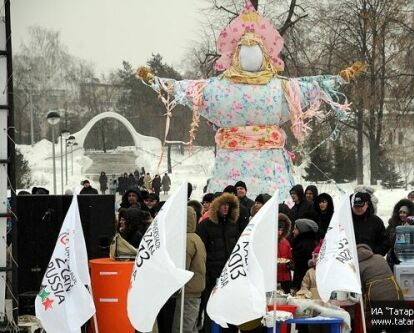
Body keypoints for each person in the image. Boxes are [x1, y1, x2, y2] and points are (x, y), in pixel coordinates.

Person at [137, 1, 356, 201]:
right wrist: (156, 81)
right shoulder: (268, 88)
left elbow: (187, 90)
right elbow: (309, 89)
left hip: (244, 167)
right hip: (264, 168)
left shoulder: (250, 87)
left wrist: (338, 79)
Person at [196, 192, 241, 333]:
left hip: (230, 277)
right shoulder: (205, 226)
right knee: (211, 312)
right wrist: (206, 274)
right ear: (216, 206)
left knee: (230, 311)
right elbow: (200, 253)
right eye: (223, 204)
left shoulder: (233, 225)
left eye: (228, 205)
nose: (226, 208)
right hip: (211, 277)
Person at [171, 207, 206, 333]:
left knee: (182, 328)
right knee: (191, 327)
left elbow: (182, 268)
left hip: (187, 292)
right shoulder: (196, 238)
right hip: (195, 290)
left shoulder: (186, 240)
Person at [357, 244, 405, 333]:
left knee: (374, 326)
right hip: (397, 301)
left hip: (376, 305)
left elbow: (359, 294)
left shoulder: (358, 266)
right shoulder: (380, 258)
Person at [350, 192, 389, 256]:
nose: (359, 209)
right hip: (349, 260)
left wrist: (372, 253)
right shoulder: (346, 221)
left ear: (367, 204)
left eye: (361, 206)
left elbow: (384, 243)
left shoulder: (376, 221)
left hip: (371, 259)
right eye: (356, 206)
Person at [385, 199, 414, 269]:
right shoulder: (392, 225)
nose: (401, 215)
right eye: (400, 212)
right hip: (393, 258)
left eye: (404, 212)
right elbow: (387, 240)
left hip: (408, 258)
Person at [291, 218, 318, 291]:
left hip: (304, 283)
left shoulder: (304, 245)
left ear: (302, 230)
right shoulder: (305, 243)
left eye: (295, 229)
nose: (293, 231)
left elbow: (301, 265)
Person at [277, 213, 293, 294]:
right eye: (278, 230)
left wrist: (290, 264)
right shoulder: (269, 242)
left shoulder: (286, 242)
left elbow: (290, 257)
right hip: (274, 277)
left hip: (286, 277)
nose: (280, 233)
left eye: (281, 230)